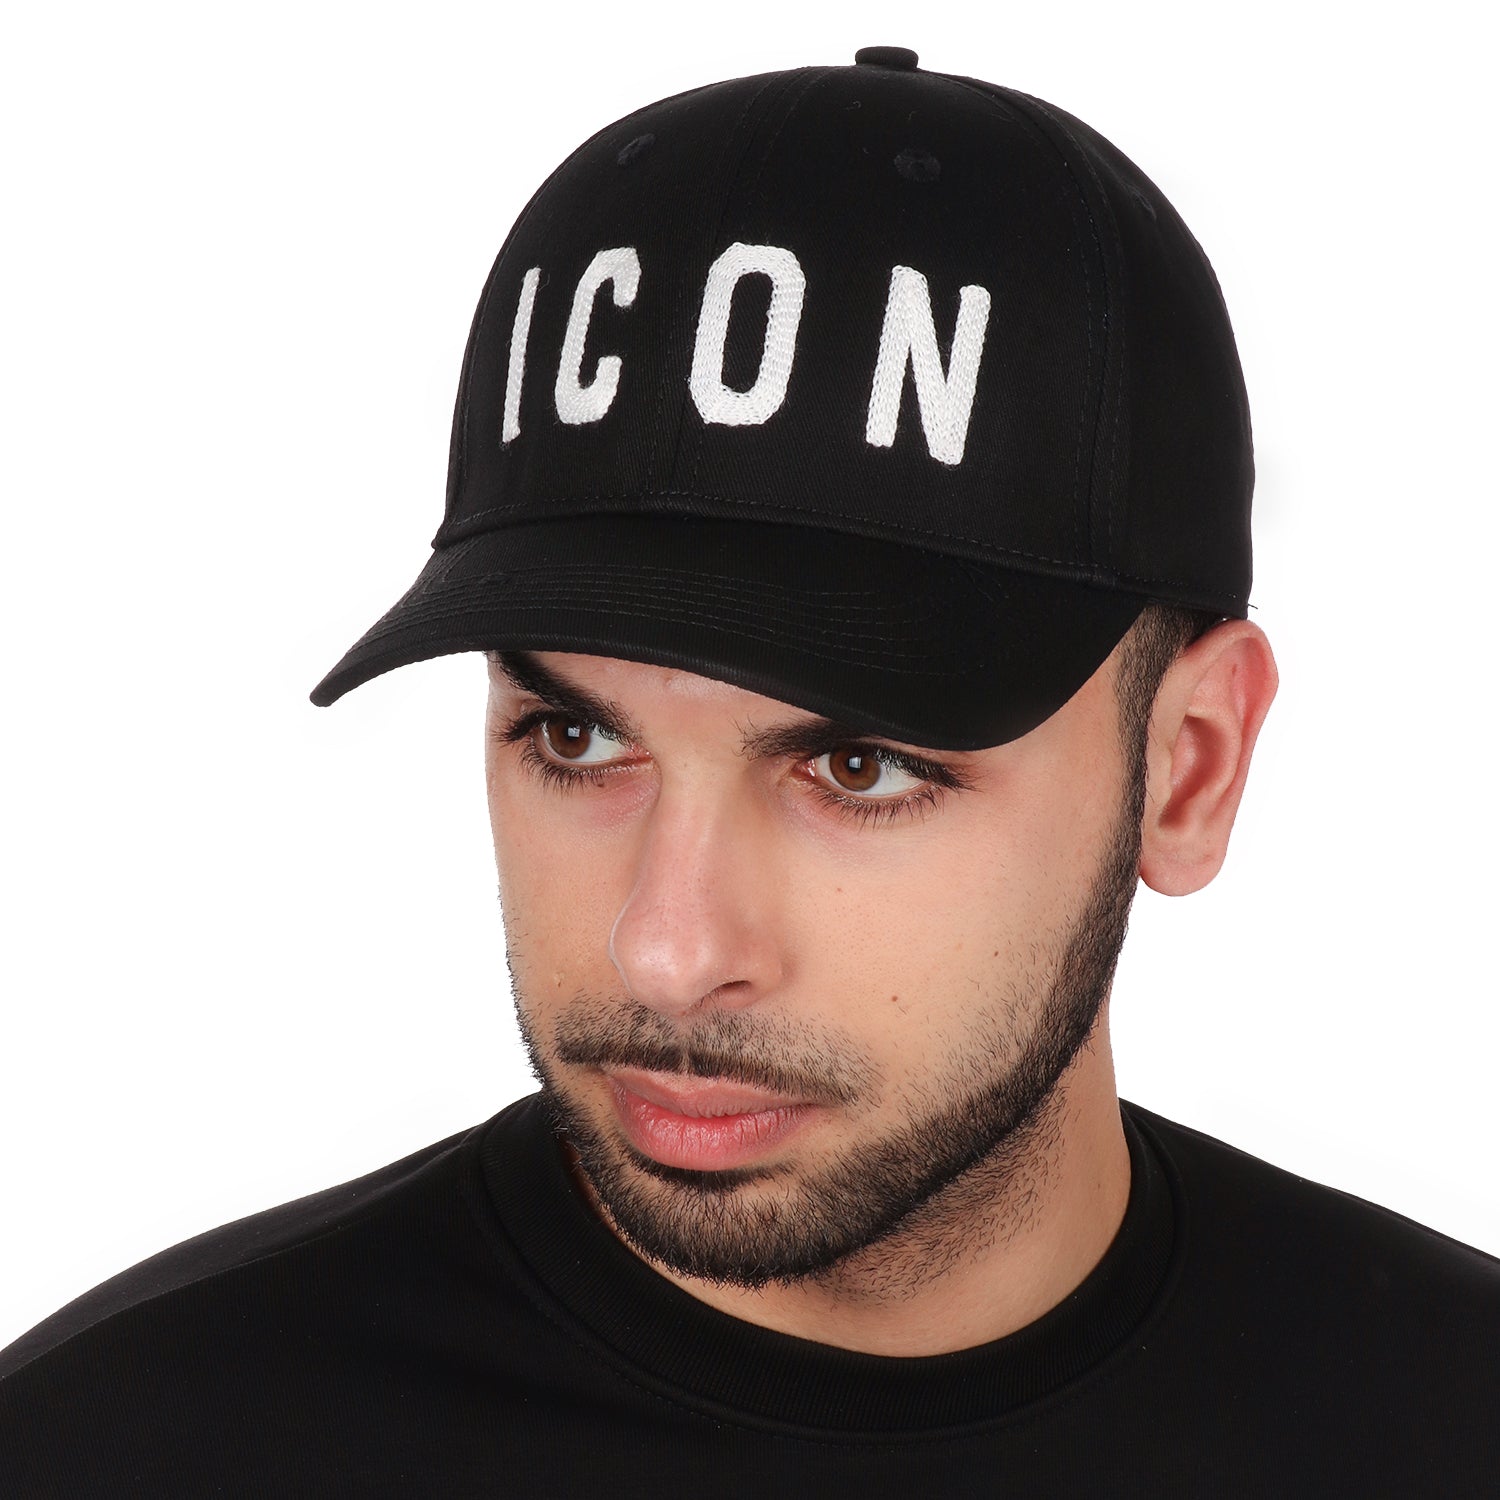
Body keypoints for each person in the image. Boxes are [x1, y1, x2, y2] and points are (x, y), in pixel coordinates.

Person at [3, 44, 1497, 1496]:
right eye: (578, 739)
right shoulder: (116, 1451)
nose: (667, 951)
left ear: (1188, 768)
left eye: (858, 763)